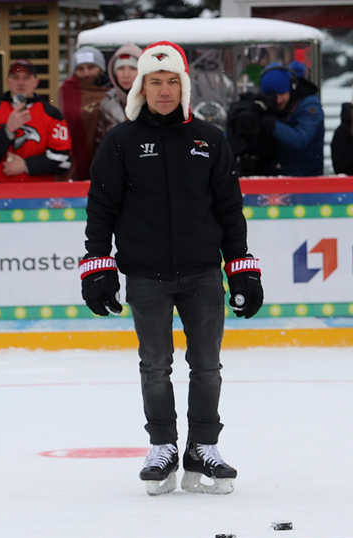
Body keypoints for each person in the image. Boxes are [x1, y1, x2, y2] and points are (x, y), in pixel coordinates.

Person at [81, 41, 263, 497]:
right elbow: (101, 209)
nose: (164, 90)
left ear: (185, 85)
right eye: (154, 82)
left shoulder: (210, 139)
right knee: (155, 366)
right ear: (141, 87)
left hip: (203, 273)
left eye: (172, 81)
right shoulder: (120, 141)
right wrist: (98, 267)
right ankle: (161, 445)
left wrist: (241, 268)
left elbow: (229, 210)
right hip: (146, 276)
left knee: (206, 366)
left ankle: (203, 446)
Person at [0, 59, 72, 183]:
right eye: (16, 77)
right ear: (8, 81)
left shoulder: (52, 114)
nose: (21, 82)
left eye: (26, 77)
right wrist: (7, 131)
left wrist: (26, 165)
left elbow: (63, 159)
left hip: (38, 192)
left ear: (36, 82)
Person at [256, 63, 324, 177]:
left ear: (291, 88)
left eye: (282, 93)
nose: (278, 100)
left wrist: (272, 124)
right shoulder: (266, 107)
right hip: (274, 175)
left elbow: (300, 140)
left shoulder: (310, 105)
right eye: (272, 95)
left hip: (307, 179)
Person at [59, 46, 110, 181]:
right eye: (80, 69)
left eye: (91, 67)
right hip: (77, 156)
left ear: (101, 68)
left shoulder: (114, 90)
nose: (86, 73)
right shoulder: (68, 90)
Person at [95, 45, 141, 149]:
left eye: (132, 68)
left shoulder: (153, 101)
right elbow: (101, 143)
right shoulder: (106, 103)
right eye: (120, 68)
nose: (126, 75)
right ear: (113, 72)